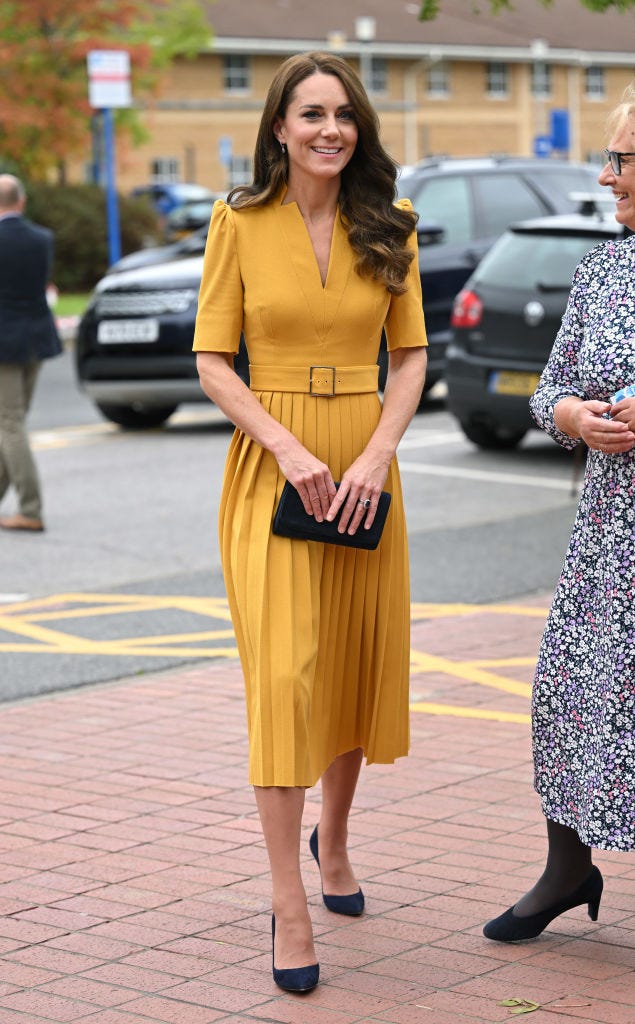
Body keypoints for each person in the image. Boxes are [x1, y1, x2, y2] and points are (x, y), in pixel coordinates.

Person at [193, 52, 427, 991]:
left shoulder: (391, 226)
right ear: (280, 129)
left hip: (367, 466)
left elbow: (408, 359)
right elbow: (213, 360)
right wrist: (289, 449)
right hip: (274, 463)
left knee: (349, 671)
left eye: (343, 114)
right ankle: (290, 904)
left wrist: (373, 455)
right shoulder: (236, 224)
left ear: (358, 128)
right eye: (310, 114)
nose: (330, 129)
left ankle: (335, 845)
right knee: (286, 678)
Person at [483, 84, 635, 943]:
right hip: (607, 535)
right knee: (569, 691)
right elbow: (547, 391)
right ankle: (568, 868)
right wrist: (573, 417)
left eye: (619, 160)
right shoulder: (602, 269)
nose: (606, 177)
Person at [0, 173, 62, 532]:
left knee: (9, 425)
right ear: (21, 202)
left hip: (4, 344)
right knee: (13, 423)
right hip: (36, 339)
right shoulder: (42, 239)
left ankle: (30, 507)